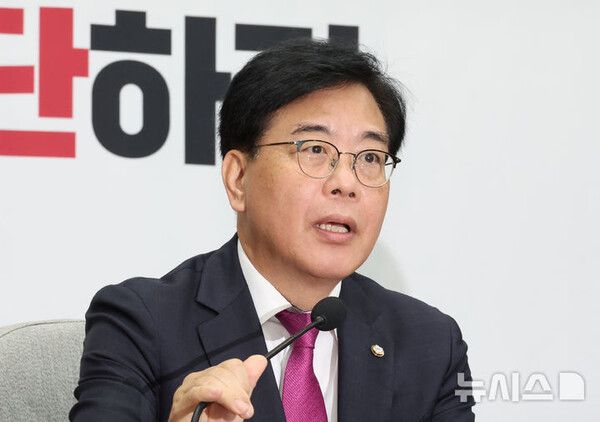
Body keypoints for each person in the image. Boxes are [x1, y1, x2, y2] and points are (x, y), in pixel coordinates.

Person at [70, 39, 475, 422]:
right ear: (238, 178)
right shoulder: (143, 324)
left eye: (370, 157)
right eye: (315, 149)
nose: (346, 183)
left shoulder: (430, 345)